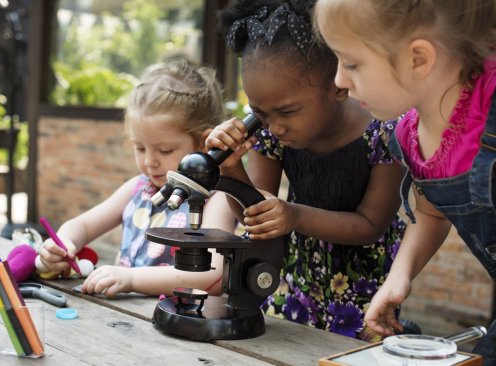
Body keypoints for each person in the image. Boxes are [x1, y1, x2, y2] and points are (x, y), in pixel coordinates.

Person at [205, 0, 406, 341]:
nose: (275, 126)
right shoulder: (270, 131)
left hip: (362, 288)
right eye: (261, 112)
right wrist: (231, 169)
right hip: (292, 276)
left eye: (286, 111)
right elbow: (254, 215)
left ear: (338, 86)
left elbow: (370, 226)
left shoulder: (384, 133)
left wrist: (293, 216)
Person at [315, 0, 496, 362]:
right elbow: (432, 212)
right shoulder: (407, 136)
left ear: (418, 59)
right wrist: (399, 276)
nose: (338, 80)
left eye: (351, 63)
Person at [38, 61, 235, 298]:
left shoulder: (216, 199)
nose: (150, 161)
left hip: (180, 323)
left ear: (204, 143)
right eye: (140, 148)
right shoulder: (138, 188)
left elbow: (211, 275)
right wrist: (63, 244)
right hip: (126, 317)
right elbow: (82, 225)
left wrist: (131, 279)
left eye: (164, 150)